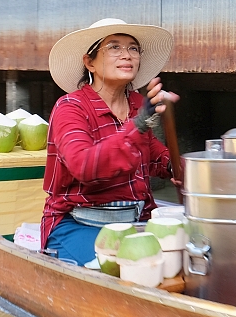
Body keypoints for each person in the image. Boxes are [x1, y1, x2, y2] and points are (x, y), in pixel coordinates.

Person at [41, 18, 181, 265]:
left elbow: (153, 154)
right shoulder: (70, 107)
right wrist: (138, 126)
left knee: (184, 257)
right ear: (90, 62)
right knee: (129, 271)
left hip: (136, 222)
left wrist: (179, 167)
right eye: (114, 47)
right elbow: (84, 166)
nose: (126, 55)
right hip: (78, 224)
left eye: (133, 48)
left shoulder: (137, 104)